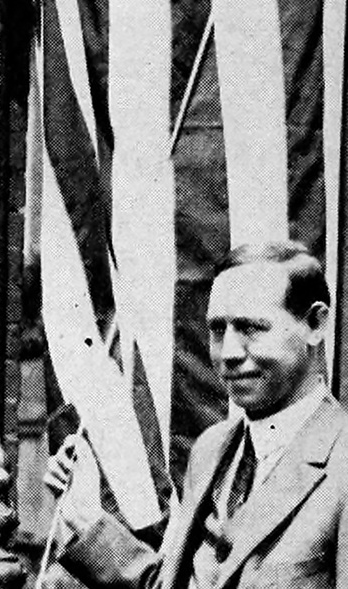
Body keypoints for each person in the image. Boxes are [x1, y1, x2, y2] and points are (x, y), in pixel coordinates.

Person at [44, 241, 348, 589]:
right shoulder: (211, 449)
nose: (229, 353)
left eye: (252, 328)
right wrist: (87, 519)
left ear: (315, 324)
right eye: (218, 330)